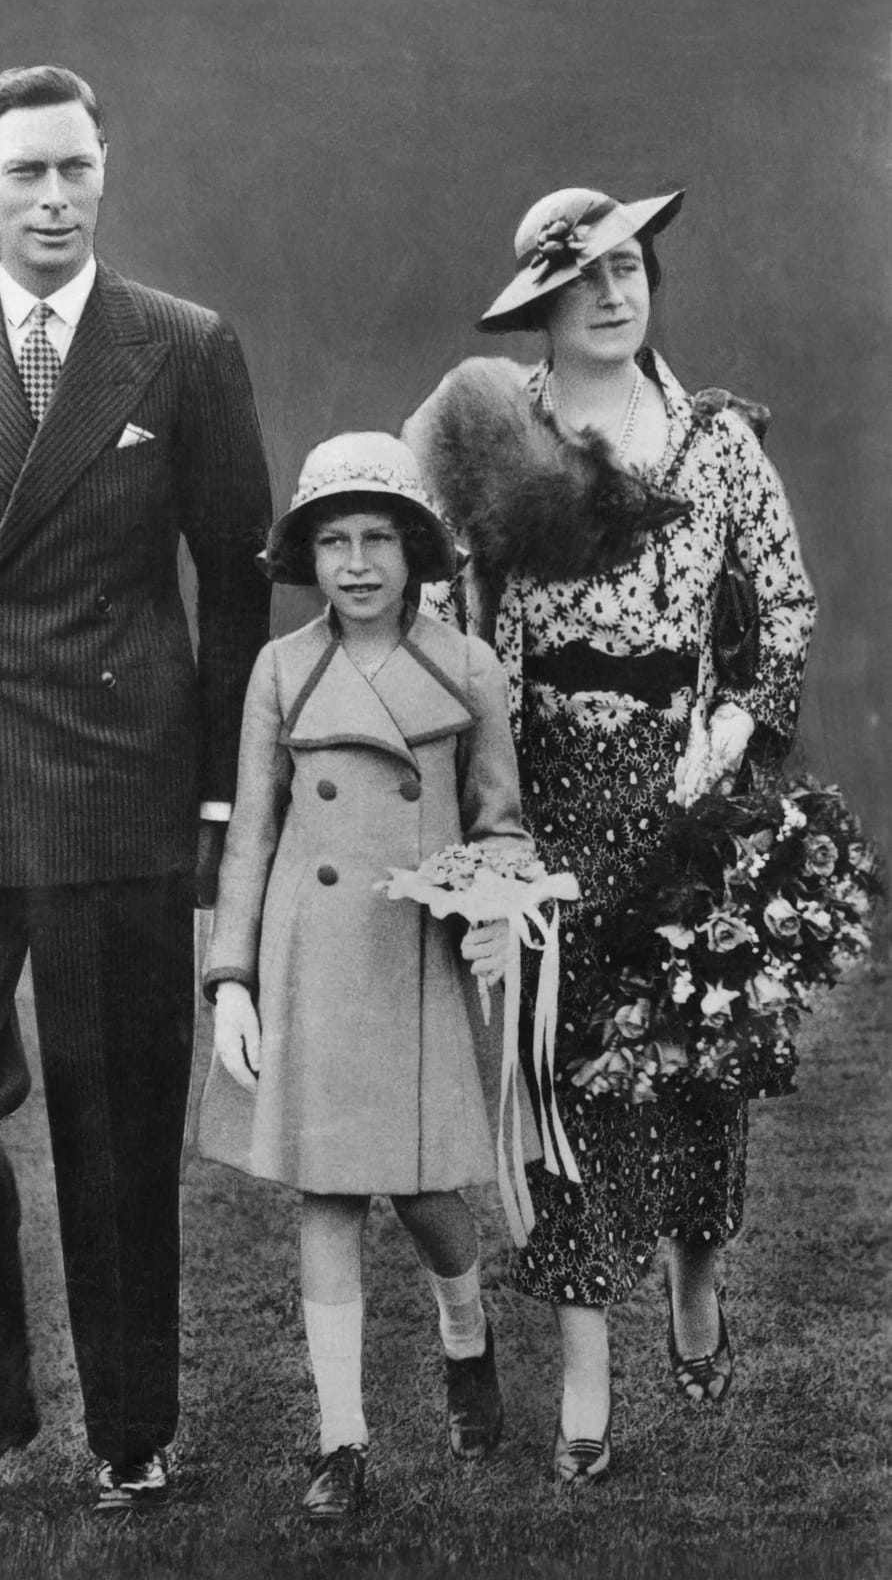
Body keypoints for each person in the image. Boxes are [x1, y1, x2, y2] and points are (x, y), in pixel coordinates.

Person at [0, 64, 272, 1516]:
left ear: (107, 171)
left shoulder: (184, 348)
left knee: (114, 1126)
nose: (51, 198)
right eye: (24, 172)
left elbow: (236, 588)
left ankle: (132, 1429)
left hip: (116, 795)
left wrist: (216, 800)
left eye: (74, 170)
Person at [403, 187, 816, 1483]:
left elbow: (786, 610)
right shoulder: (489, 437)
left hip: (693, 797)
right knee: (568, 1092)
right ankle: (587, 1363)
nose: (613, 293)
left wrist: (734, 736)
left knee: (693, 1076)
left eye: (630, 268)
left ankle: (695, 1286)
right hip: (546, 798)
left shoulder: (717, 445)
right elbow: (430, 590)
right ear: (541, 303)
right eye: (583, 278)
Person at [195, 432, 529, 1519]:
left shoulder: (465, 667)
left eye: (376, 538)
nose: (354, 563)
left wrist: (494, 907)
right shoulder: (281, 669)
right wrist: (231, 977)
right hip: (315, 953)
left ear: (414, 549)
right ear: (307, 555)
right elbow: (251, 833)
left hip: (420, 959)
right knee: (327, 1190)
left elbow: (503, 828)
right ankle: (340, 1435)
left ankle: (463, 1333)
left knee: (430, 1194)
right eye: (331, 540)